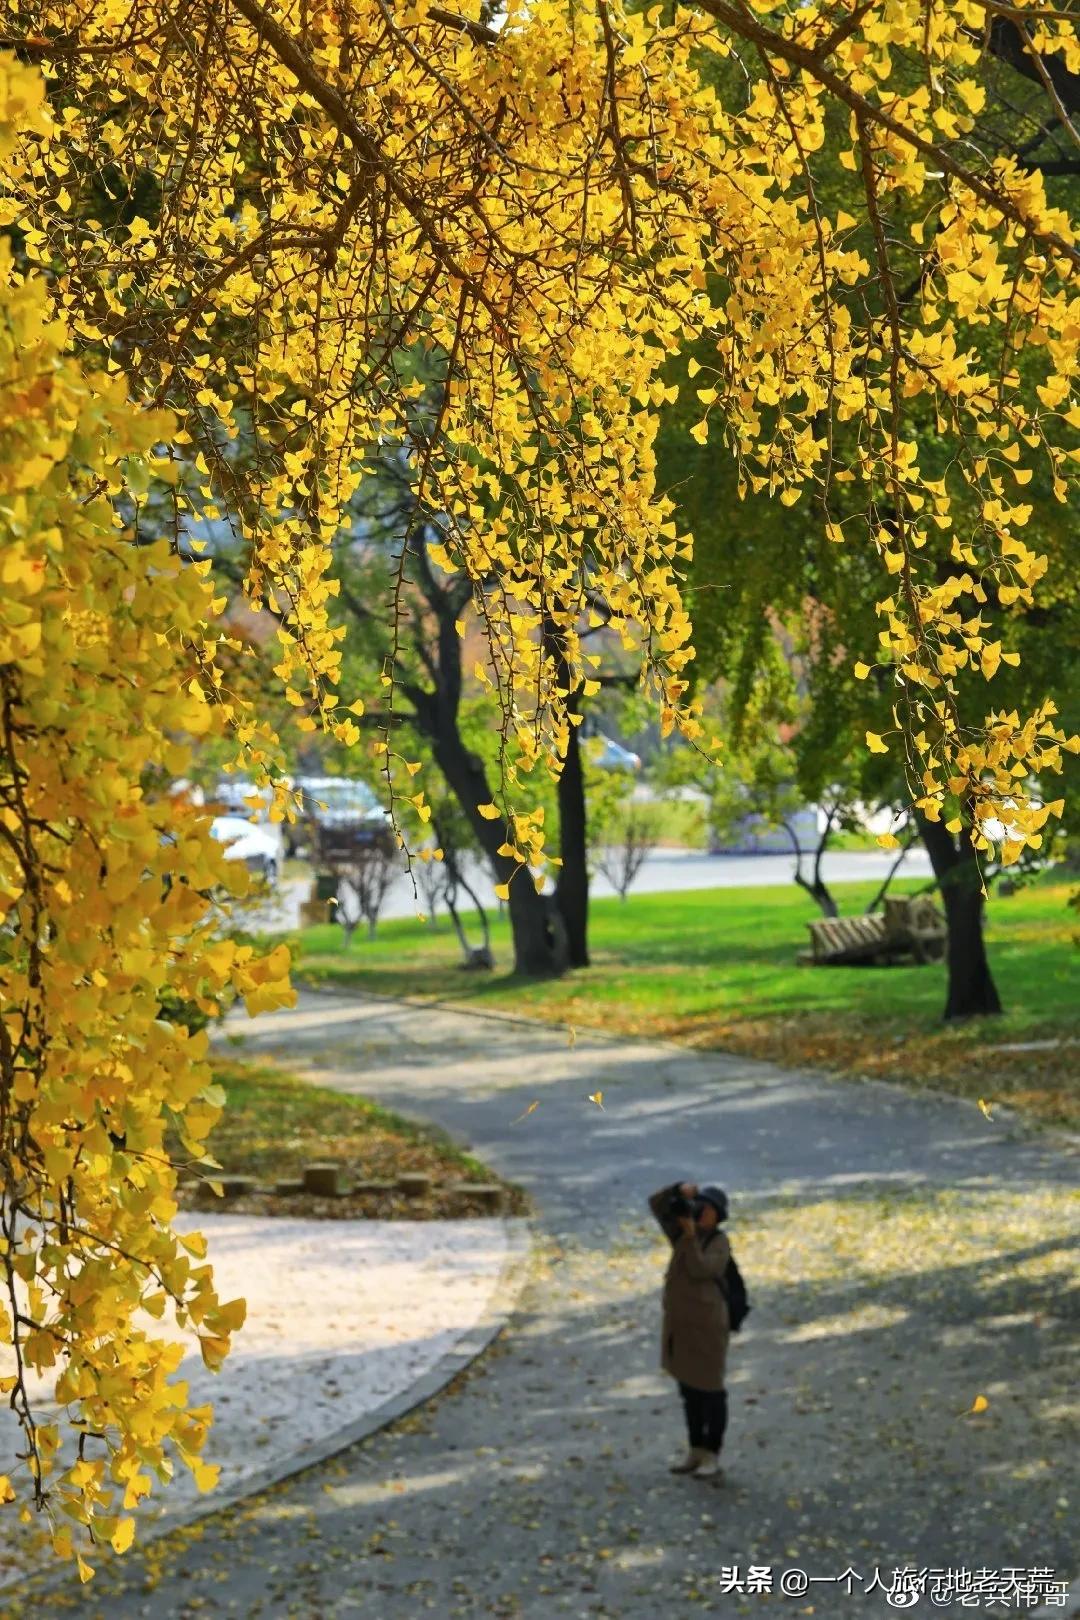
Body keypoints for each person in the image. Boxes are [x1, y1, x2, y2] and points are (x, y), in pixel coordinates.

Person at [648, 1179, 731, 1479]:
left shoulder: (719, 1242)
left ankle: (712, 1453)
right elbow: (657, 1205)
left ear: (718, 1216)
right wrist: (678, 1191)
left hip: (707, 1329)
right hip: (681, 1326)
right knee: (688, 1390)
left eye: (709, 1209)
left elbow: (701, 1270)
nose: (702, 1212)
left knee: (711, 1391)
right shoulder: (682, 1233)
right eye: (701, 1206)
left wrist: (691, 1236)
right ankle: (695, 1450)